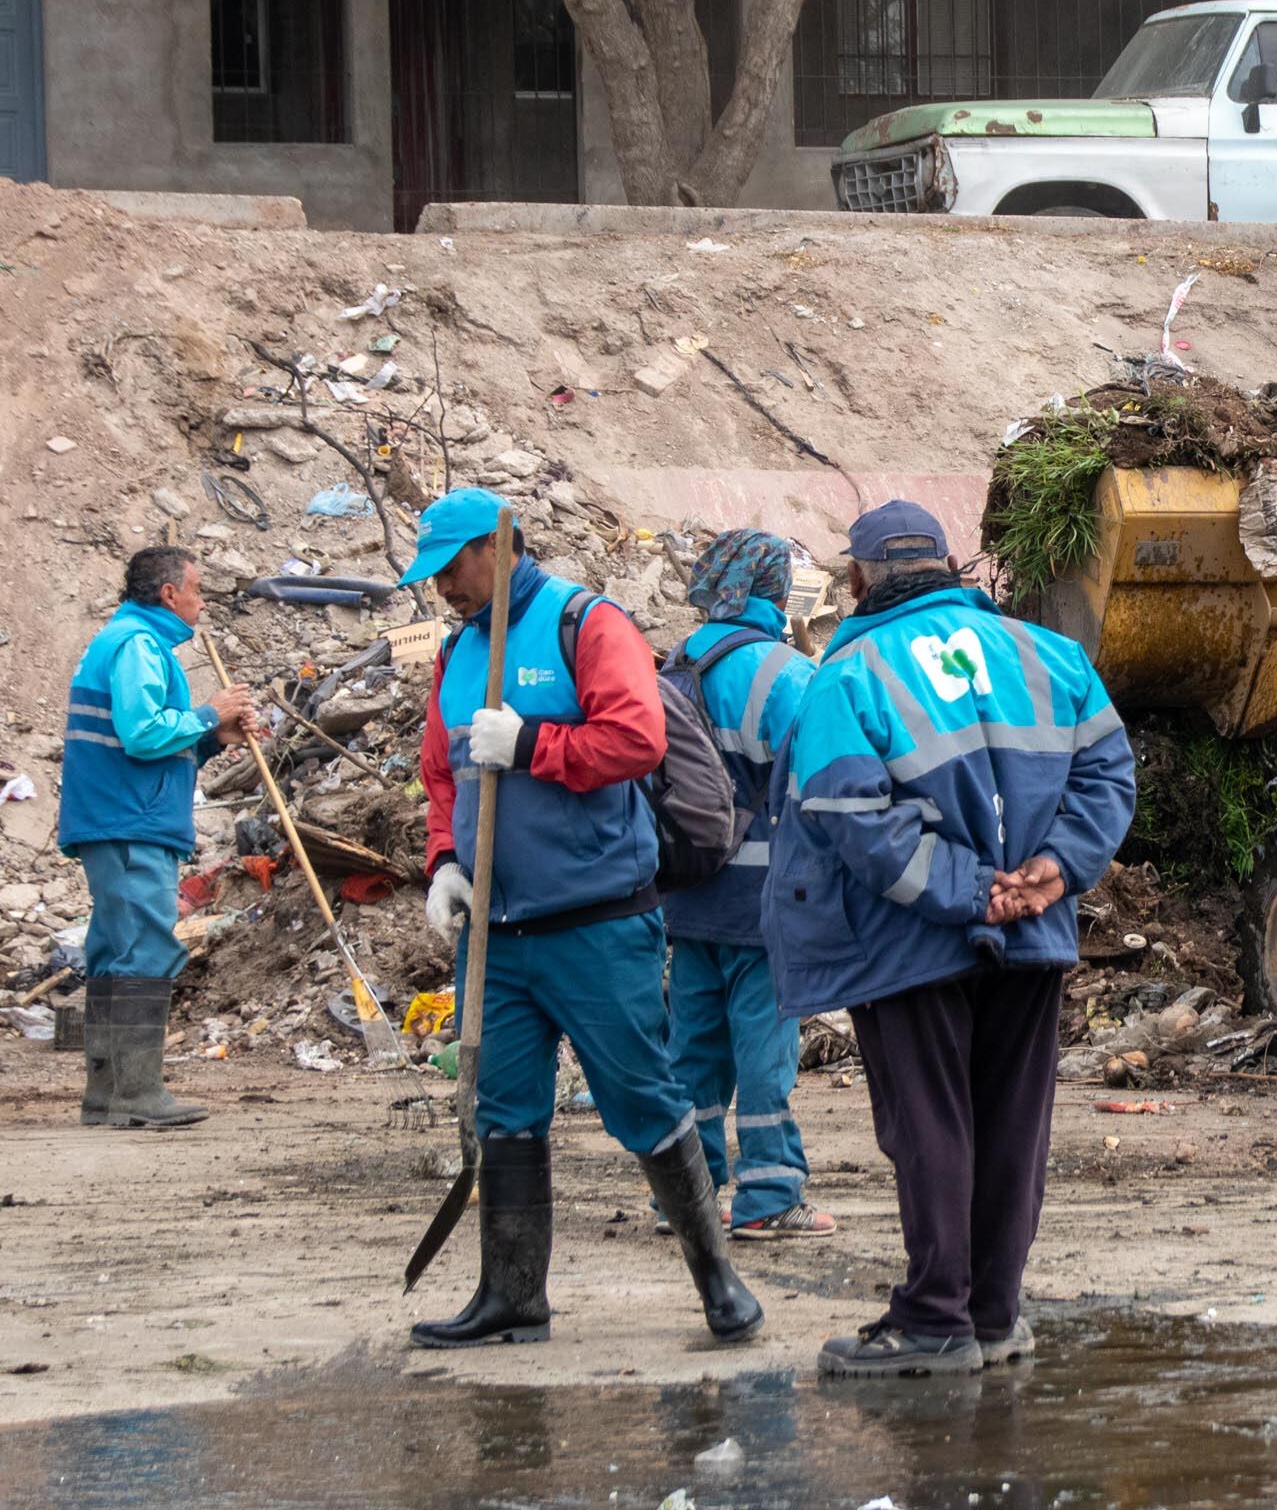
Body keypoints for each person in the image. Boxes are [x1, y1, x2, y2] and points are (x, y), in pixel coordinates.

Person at [768, 501, 1134, 1378]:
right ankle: (993, 1313)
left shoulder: (846, 674)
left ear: (858, 581)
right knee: (1012, 1120)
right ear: (951, 566)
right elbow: (1110, 770)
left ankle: (934, 1318)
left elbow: (851, 812)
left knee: (930, 1120)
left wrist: (971, 894)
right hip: (1034, 929)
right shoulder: (1052, 656)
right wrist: (1052, 870)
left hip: (910, 940)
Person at [402, 487, 762, 1351]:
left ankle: (719, 1280)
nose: (442, 588)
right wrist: (446, 860)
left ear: (499, 549)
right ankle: (513, 1296)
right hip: (499, 932)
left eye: (451, 569)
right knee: (505, 1108)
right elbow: (443, 775)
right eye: (434, 576)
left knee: (643, 1095)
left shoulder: (585, 624)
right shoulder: (457, 655)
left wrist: (530, 747)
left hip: (597, 922)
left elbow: (637, 739)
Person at [664, 530, 834, 1242]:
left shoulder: (674, 666)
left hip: (685, 895)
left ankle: (686, 1196)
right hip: (766, 905)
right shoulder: (786, 674)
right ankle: (769, 1193)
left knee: (691, 1054)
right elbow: (825, 785)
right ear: (769, 590)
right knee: (765, 1055)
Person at [58, 546, 257, 1129]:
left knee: (114, 951)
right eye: (196, 590)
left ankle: (107, 1094)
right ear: (170, 594)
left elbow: (149, 744)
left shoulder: (132, 643)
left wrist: (212, 737)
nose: (200, 603)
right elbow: (143, 734)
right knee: (143, 948)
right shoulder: (138, 646)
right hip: (128, 820)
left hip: (120, 817)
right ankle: (136, 1094)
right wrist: (206, 713)